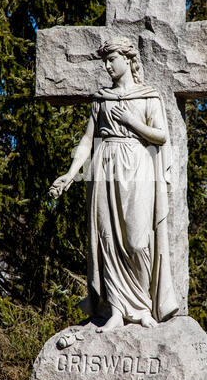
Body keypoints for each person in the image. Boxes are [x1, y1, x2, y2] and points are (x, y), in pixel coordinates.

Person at [49, 36, 178, 332]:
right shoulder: (101, 99)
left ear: (127, 59)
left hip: (137, 165)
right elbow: (86, 141)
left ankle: (143, 306)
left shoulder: (148, 96)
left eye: (111, 59)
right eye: (105, 61)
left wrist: (133, 122)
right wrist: (70, 174)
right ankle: (117, 310)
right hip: (104, 167)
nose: (107, 66)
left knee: (137, 240)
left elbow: (161, 136)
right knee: (107, 239)